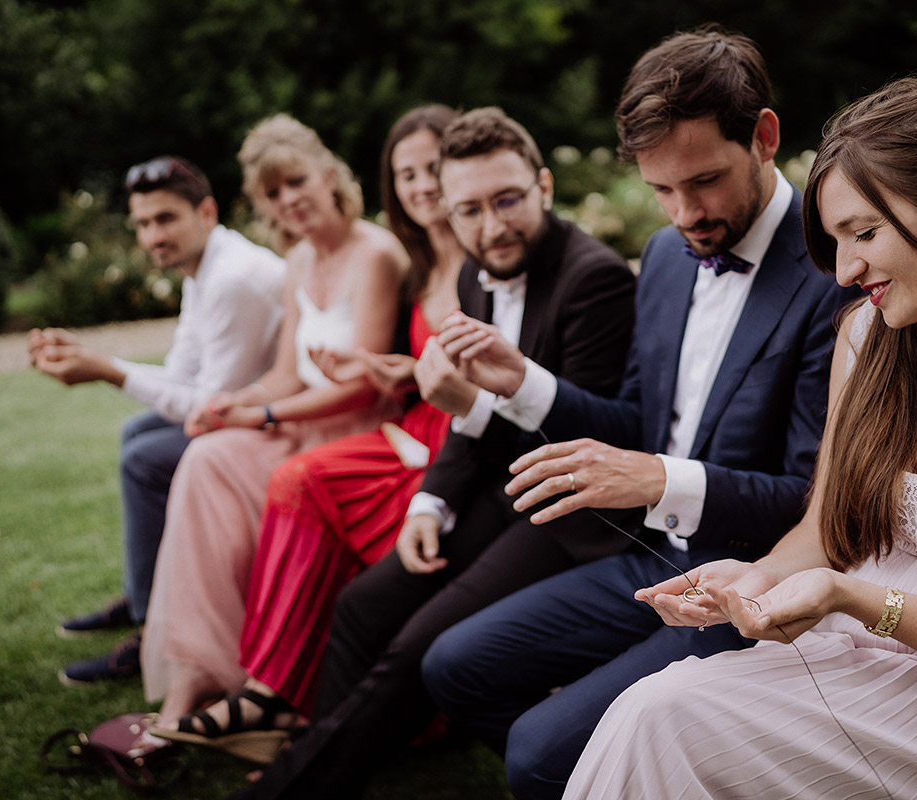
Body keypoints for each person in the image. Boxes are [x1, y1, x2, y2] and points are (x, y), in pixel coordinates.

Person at [564, 74, 917, 800]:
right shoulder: (866, 339)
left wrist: (858, 601)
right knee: (655, 709)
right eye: (836, 241)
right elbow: (827, 531)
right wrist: (759, 576)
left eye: (864, 233)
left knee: (668, 721)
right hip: (870, 653)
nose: (845, 270)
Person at [420, 28, 857, 799]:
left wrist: (659, 479)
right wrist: (521, 380)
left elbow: (812, 500)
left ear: (764, 136)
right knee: (454, 666)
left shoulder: (837, 273)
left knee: (536, 752)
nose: (685, 213)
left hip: (755, 578)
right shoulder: (661, 258)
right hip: (647, 560)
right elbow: (632, 424)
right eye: (661, 190)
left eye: (705, 181)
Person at [231, 106, 637, 798]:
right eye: (469, 210)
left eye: (507, 200)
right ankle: (334, 756)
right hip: (492, 491)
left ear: (542, 186)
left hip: (566, 513)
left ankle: (296, 787)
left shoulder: (593, 280)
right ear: (448, 212)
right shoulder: (478, 278)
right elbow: (469, 423)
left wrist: (470, 403)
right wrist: (431, 501)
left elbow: (595, 442)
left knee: (417, 646)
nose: (491, 225)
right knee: (363, 604)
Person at [146, 104, 465, 763]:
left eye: (296, 182)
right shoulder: (296, 262)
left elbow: (361, 384)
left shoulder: (376, 252)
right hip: (306, 420)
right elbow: (288, 371)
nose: (289, 200)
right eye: (272, 193)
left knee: (277, 477)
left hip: (362, 424)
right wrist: (238, 402)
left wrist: (264, 417)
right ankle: (204, 672)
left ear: (328, 176)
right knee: (206, 458)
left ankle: (268, 686)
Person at [29, 156, 285, 685]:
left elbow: (205, 405)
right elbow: (180, 375)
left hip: (282, 424)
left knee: (146, 459)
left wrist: (106, 371)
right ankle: (147, 592)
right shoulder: (204, 268)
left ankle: (153, 628)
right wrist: (97, 359)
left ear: (207, 212)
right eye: (143, 224)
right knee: (137, 432)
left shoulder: (233, 277)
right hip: (244, 411)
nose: (152, 236)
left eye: (166, 219)